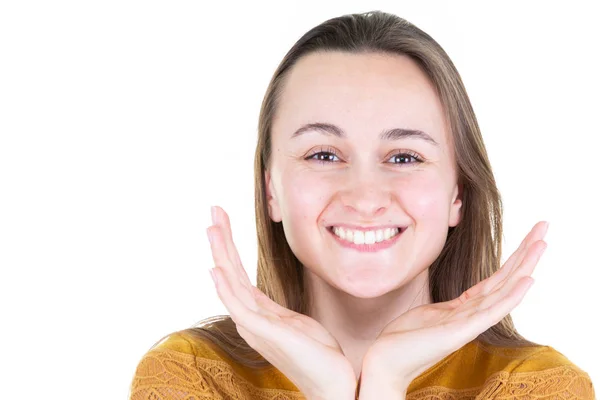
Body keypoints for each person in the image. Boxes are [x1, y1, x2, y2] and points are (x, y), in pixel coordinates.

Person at [128, 10, 595, 400]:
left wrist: (385, 382)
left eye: (405, 157)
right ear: (271, 190)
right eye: (324, 155)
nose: (366, 197)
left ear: (459, 194)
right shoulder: (190, 377)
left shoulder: (538, 387)